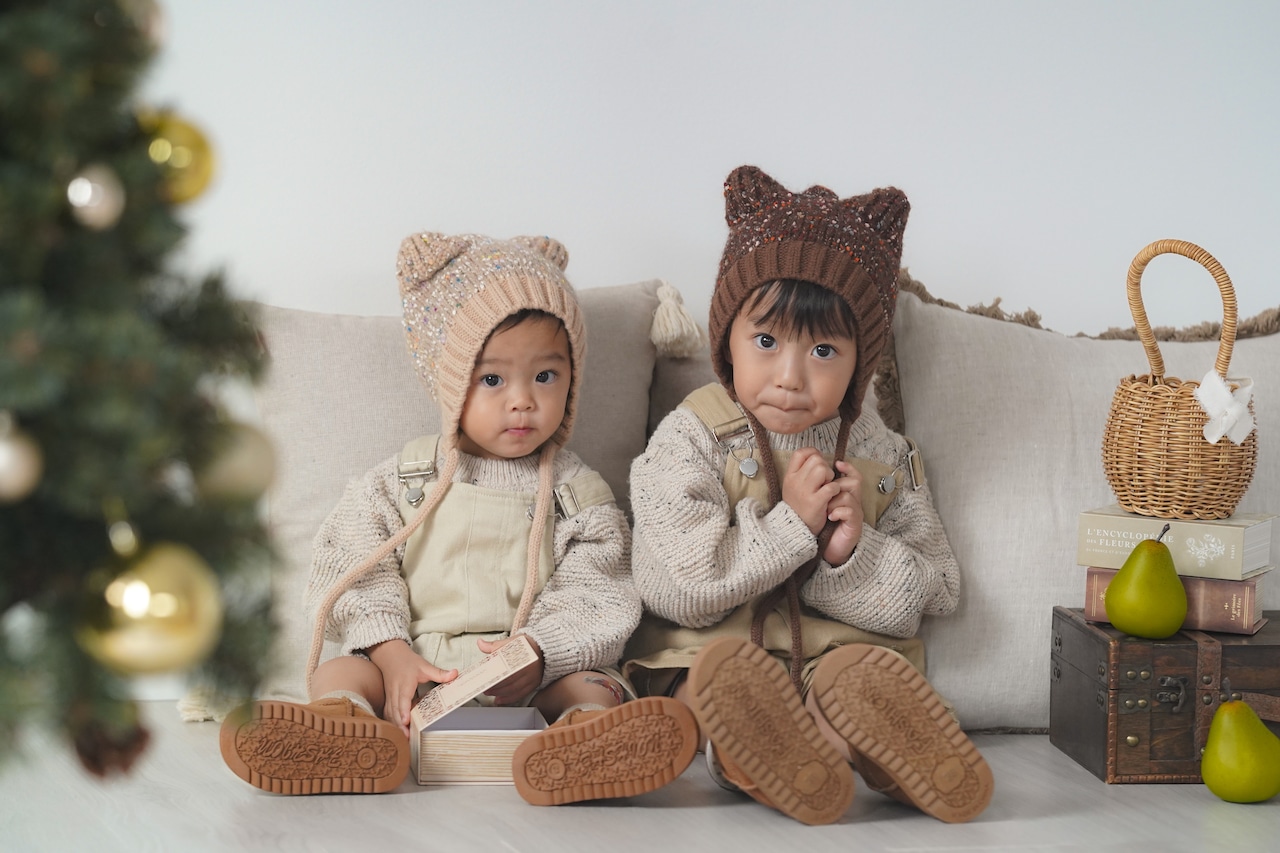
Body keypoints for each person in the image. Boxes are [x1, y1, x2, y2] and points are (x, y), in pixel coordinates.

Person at [220, 232, 696, 799]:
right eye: (492, 379)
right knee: (341, 672)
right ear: (450, 383)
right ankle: (343, 729)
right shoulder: (407, 478)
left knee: (594, 685)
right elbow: (352, 563)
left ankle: (586, 742)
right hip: (415, 672)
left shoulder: (579, 495)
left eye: (545, 376)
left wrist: (543, 653)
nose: (522, 400)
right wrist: (390, 651)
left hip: (532, 678)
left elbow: (599, 594)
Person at [624, 165, 995, 825]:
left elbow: (938, 588)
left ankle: (871, 747)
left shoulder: (881, 453)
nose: (791, 376)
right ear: (727, 338)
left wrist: (851, 554)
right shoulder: (692, 434)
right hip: (714, 654)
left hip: (835, 654)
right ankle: (769, 749)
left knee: (854, 679)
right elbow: (675, 586)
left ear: (862, 360)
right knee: (706, 683)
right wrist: (792, 528)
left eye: (823, 350)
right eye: (766, 342)